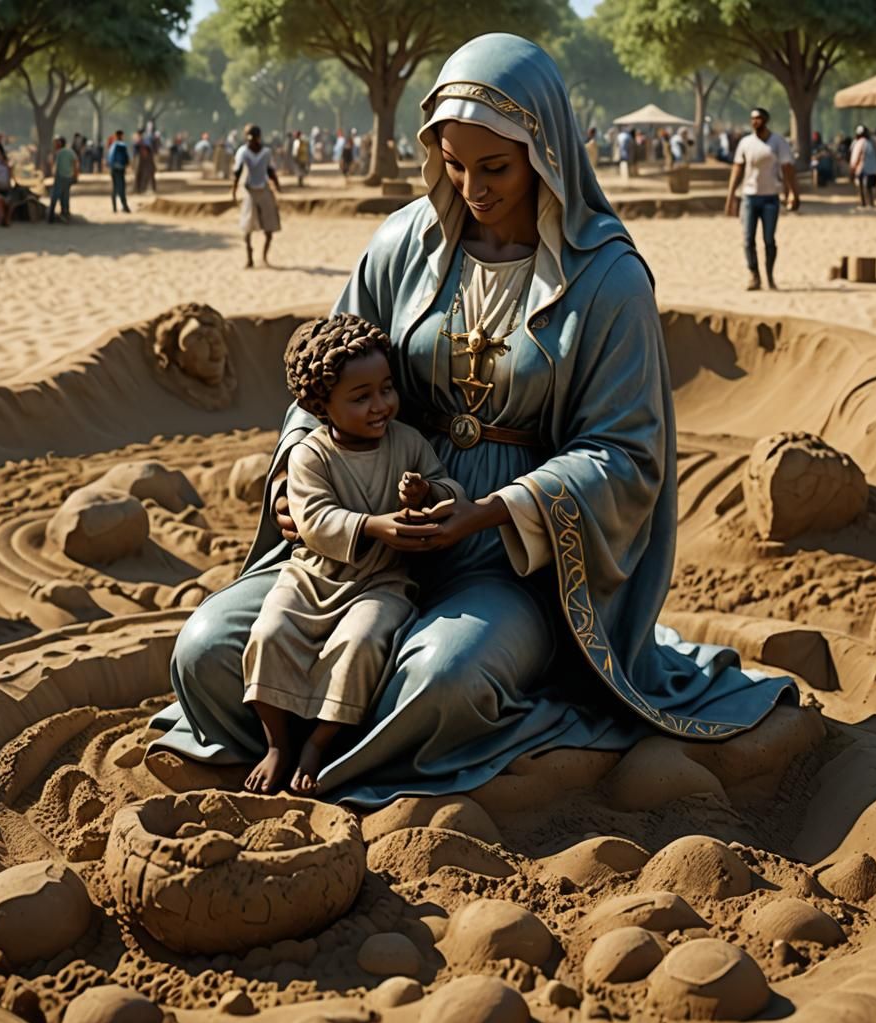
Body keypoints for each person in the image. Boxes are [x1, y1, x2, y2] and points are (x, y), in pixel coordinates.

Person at [149, 33, 795, 806]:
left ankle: (378, 741)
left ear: (546, 151)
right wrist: (296, 474)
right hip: (364, 536)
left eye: (495, 167)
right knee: (205, 653)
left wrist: (486, 512)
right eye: (455, 165)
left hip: (509, 562)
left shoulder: (609, 279)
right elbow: (319, 382)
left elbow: (626, 453)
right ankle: (343, 733)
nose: (473, 188)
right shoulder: (399, 245)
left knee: (440, 682)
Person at [243, 314, 464, 794]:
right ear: (320, 404)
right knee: (269, 632)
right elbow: (314, 521)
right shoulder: (310, 455)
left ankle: (319, 743)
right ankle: (278, 742)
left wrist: (427, 491)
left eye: (386, 389)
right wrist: (374, 525)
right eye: (361, 397)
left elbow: (448, 483)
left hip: (382, 580)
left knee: (360, 643)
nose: (381, 405)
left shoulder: (406, 441)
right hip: (312, 578)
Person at [725, 106, 799, 291]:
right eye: (752, 119)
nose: (754, 122)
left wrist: (793, 192)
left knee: (769, 240)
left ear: (765, 120)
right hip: (749, 197)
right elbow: (737, 169)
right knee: (748, 239)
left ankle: (770, 275)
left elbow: (787, 168)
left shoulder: (777, 142)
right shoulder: (746, 143)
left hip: (770, 198)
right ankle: (754, 275)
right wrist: (730, 196)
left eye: (758, 118)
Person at [231, 124, 281, 269]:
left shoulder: (265, 152)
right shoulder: (244, 152)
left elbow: (270, 171)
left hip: (262, 190)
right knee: (247, 227)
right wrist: (234, 189)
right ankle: (250, 258)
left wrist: (277, 185)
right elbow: (238, 172)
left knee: (268, 227)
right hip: (251, 192)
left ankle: (262, 257)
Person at [48, 135, 79, 223]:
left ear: (60, 143)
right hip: (68, 176)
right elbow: (75, 163)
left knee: (56, 195)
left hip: (61, 177)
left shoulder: (60, 152)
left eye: (56, 142)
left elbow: (54, 166)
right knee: (65, 195)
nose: (54, 144)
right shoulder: (69, 151)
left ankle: (52, 215)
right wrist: (75, 175)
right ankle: (65, 213)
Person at [849, 125, 876, 208]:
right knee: (869, 187)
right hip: (871, 168)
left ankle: (863, 203)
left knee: (862, 186)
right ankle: (870, 203)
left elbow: (859, 155)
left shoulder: (859, 142)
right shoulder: (870, 142)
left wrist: (853, 167)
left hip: (863, 168)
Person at [107, 129, 131, 213]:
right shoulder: (122, 145)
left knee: (114, 187)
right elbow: (126, 157)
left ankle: (114, 207)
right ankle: (125, 206)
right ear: (121, 135)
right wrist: (127, 164)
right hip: (120, 169)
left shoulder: (112, 145)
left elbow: (109, 158)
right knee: (121, 187)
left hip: (113, 169)